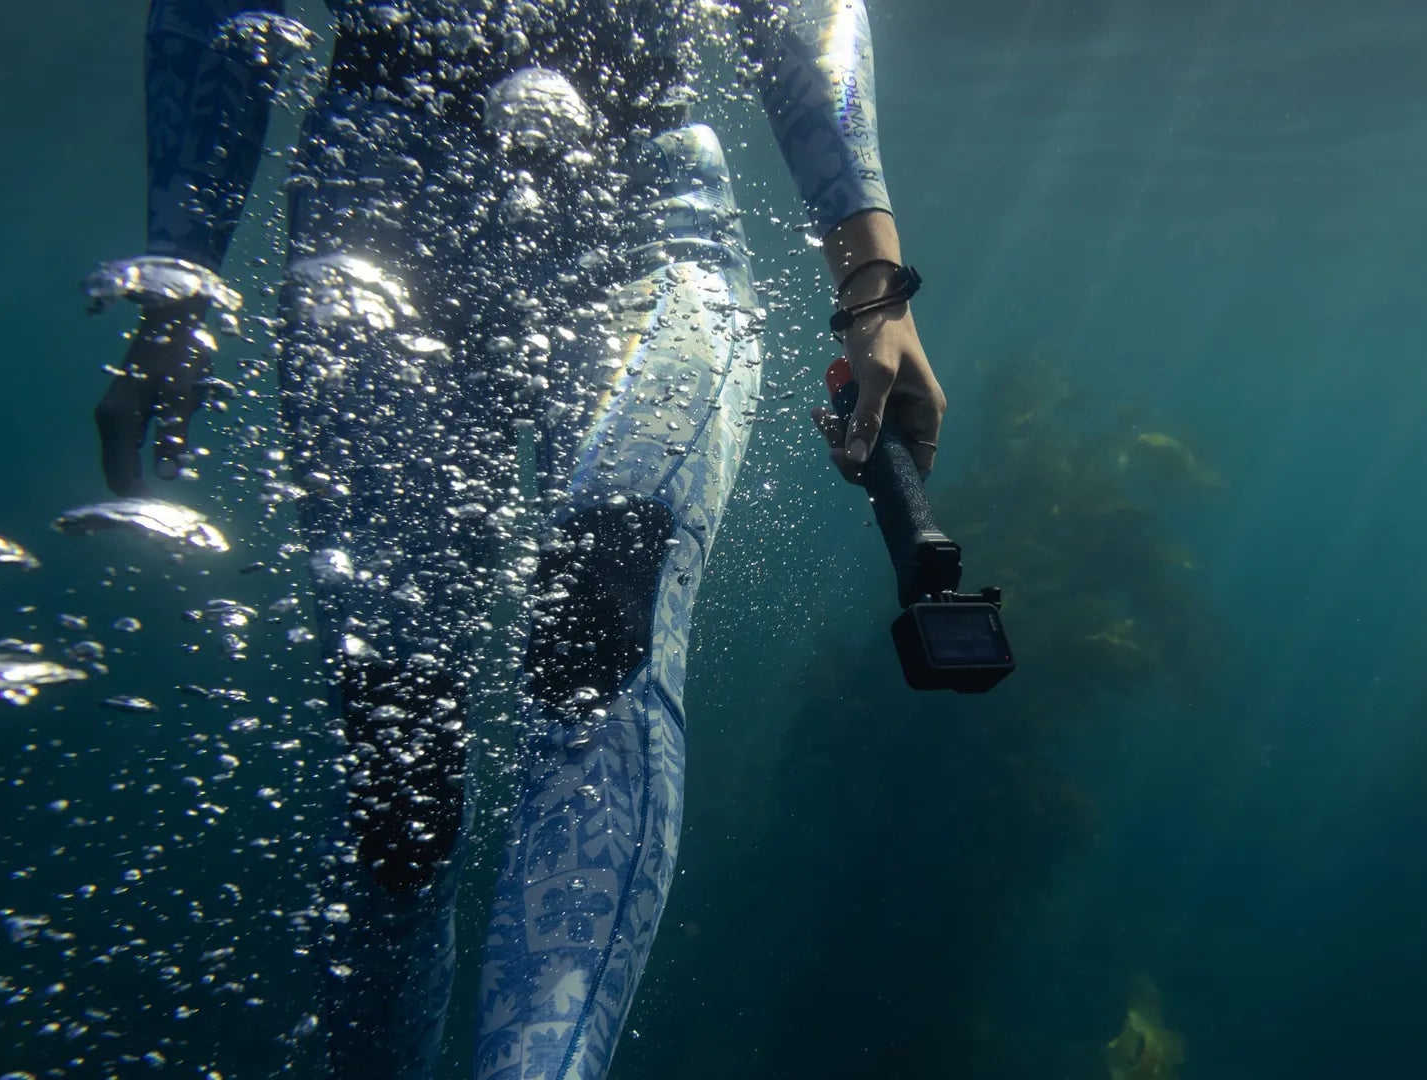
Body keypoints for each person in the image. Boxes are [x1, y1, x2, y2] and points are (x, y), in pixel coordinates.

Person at [83, 2, 945, 1078]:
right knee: (397, 755)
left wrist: (872, 282)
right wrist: (176, 286)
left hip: (648, 204)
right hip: (376, 199)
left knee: (603, 637)